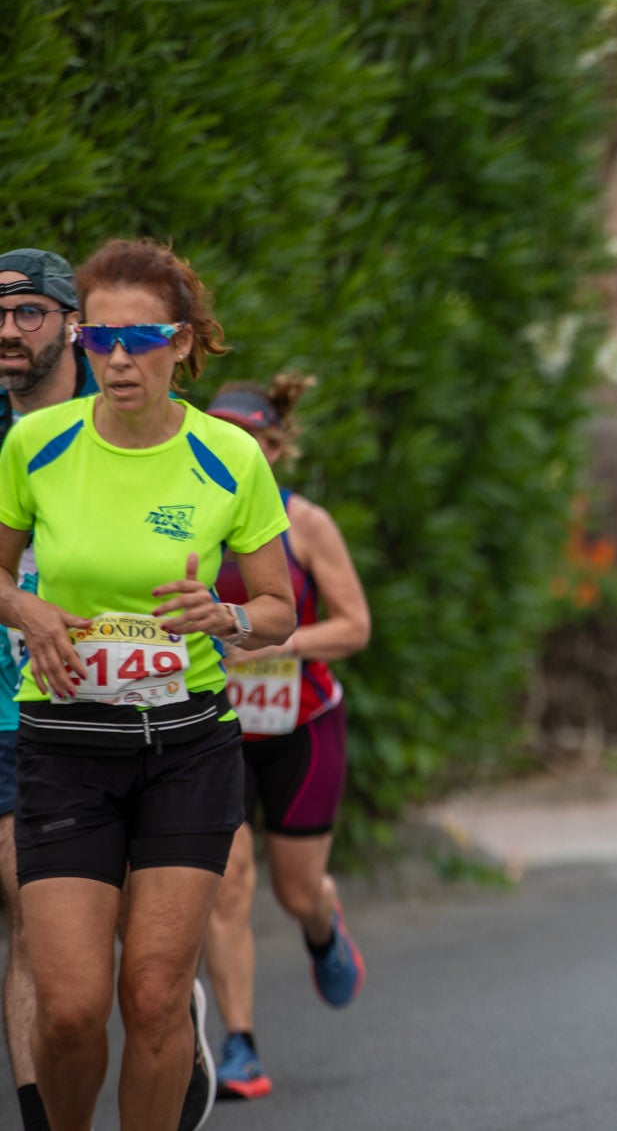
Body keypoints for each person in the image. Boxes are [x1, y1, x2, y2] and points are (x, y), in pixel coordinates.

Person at [0, 239, 296, 1131]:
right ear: (83, 341)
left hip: (186, 748)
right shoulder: (34, 443)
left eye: (142, 337)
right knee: (70, 1005)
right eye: (100, 339)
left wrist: (227, 617)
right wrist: (27, 613)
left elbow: (279, 607)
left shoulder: (228, 458)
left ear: (183, 340)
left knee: (158, 993)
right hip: (65, 748)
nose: (119, 359)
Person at [198, 376, 370, 1101]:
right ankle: (239, 1042)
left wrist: (270, 642)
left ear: (275, 446)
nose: (237, 451)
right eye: (220, 436)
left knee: (295, 888)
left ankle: (321, 922)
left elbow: (354, 625)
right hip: (214, 727)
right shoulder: (185, 517)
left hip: (300, 723)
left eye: (250, 440)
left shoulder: (306, 524)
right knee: (228, 881)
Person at [0, 250, 100, 1131]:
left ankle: (166, 1009)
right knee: (29, 921)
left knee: (127, 947)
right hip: (10, 713)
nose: (7, 330)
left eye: (29, 312)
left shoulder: (126, 417)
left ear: (73, 321)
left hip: (125, 709)